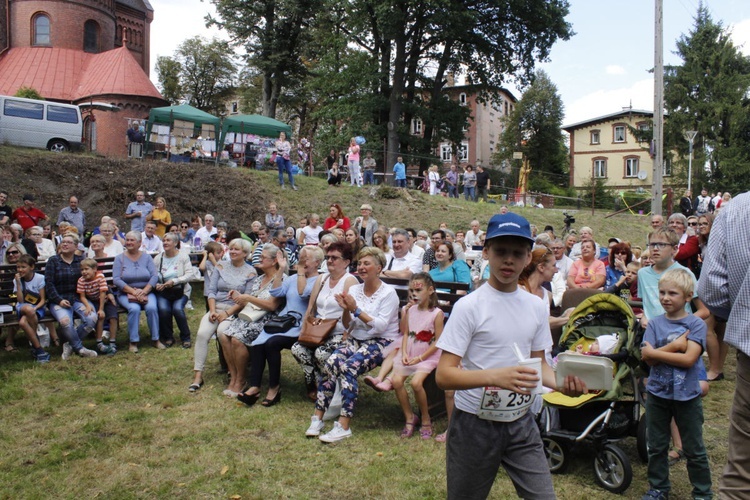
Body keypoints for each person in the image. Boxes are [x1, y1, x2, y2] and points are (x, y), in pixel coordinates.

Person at [435, 212, 586, 499]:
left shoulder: (535, 306)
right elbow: (444, 375)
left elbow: (539, 365)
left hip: (521, 422)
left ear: (528, 258)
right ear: (487, 252)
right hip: (474, 425)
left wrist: (564, 384)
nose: (508, 260)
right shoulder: (470, 306)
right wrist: (496, 377)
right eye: (501, 251)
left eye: (517, 253)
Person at [305, 247, 400, 442]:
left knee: (348, 368)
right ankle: (318, 418)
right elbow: (347, 324)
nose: (362, 267)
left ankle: (343, 425)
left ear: (379, 267)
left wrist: (355, 309)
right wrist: (346, 310)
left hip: (382, 341)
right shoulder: (355, 289)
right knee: (331, 363)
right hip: (356, 337)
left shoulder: (388, 293)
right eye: (360, 264)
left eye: (367, 263)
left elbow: (380, 327)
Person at [640, 268, 713, 500]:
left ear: (687, 297)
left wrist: (656, 353)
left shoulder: (696, 325)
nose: (665, 298)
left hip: (687, 396)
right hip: (658, 395)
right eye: (662, 292)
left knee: (694, 449)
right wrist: (674, 346)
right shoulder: (654, 324)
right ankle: (658, 488)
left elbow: (689, 359)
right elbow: (645, 358)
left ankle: (702, 493)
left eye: (672, 293)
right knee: (657, 446)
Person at [239, 246, 324, 407]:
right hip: (283, 323)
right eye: (301, 257)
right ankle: (255, 386)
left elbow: (303, 293)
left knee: (271, 344)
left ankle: (274, 388)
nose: (302, 261)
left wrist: (299, 271)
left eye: (306, 258)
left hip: (301, 326)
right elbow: (276, 292)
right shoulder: (291, 279)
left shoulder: (319, 280)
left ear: (317, 262)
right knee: (258, 342)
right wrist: (281, 270)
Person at [292, 241, 359, 400]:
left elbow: (352, 312)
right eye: (328, 257)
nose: (329, 261)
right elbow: (311, 307)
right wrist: (304, 328)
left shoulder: (350, 281)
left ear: (346, 262)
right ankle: (314, 381)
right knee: (297, 348)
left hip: (338, 332)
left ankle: (330, 387)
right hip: (317, 329)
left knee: (321, 353)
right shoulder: (322, 278)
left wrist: (346, 333)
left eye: (334, 258)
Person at [190, 238, 256, 392]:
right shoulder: (220, 266)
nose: (232, 251)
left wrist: (227, 313)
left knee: (222, 332)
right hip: (216, 307)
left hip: (234, 311)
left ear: (245, 253)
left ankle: (234, 374)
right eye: (231, 249)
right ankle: (198, 375)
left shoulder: (251, 272)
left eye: (236, 249)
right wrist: (212, 311)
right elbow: (211, 290)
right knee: (202, 334)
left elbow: (246, 299)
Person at [221, 244, 283, 398]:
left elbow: (272, 305)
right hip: (250, 316)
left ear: (275, 260)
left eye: (263, 257)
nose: (259, 259)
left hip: (266, 320)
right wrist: (238, 296)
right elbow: (250, 302)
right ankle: (234, 376)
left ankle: (241, 379)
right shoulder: (259, 278)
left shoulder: (281, 279)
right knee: (223, 335)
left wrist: (248, 298)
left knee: (236, 340)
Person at [390, 273, 445, 439]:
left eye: (418, 290)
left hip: (429, 356)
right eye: (412, 290)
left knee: (415, 383)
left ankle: (426, 418)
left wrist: (420, 359)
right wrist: (405, 353)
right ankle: (409, 417)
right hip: (411, 353)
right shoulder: (410, 310)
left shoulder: (436, 313)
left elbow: (438, 341)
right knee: (396, 381)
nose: (414, 294)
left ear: (430, 290)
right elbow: (405, 333)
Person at [45, 234, 98, 359]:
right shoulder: (53, 261)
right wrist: (59, 300)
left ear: (76, 246)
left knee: (92, 318)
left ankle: (69, 344)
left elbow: (93, 278)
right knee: (65, 322)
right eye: (63, 242)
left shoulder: (80, 261)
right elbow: (49, 284)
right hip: (58, 300)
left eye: (68, 242)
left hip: (78, 299)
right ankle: (80, 349)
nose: (64, 244)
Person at [113, 231, 162, 353]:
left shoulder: (146, 257)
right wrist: (133, 292)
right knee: (134, 309)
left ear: (140, 243)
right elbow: (116, 279)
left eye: (132, 240)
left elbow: (154, 276)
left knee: (151, 308)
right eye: (127, 240)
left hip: (146, 291)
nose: (128, 242)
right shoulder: (119, 259)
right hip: (126, 293)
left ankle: (156, 339)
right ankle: (133, 341)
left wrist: (144, 291)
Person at [153, 233, 194, 348]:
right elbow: (153, 275)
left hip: (180, 291)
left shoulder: (183, 256)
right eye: (164, 240)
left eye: (168, 240)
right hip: (164, 292)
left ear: (175, 243)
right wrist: (157, 284)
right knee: (164, 309)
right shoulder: (158, 258)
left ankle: (186, 337)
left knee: (177, 309)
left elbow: (190, 275)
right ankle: (168, 337)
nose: (165, 242)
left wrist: (174, 281)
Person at [13, 254, 50, 363]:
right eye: (18, 267)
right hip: (23, 307)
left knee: (23, 323)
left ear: (32, 267)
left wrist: (35, 308)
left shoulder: (40, 278)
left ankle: (37, 349)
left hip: (37, 307)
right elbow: (20, 301)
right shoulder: (17, 280)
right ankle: (39, 350)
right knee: (28, 309)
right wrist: (18, 283)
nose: (20, 270)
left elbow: (43, 300)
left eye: (23, 267)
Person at [77, 258, 118, 354]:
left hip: (104, 300)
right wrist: (87, 306)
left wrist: (101, 309)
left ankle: (112, 341)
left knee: (113, 318)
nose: (84, 272)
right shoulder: (81, 280)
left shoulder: (100, 277)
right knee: (100, 318)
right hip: (92, 300)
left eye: (86, 269)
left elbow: (103, 292)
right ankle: (99, 342)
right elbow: (82, 296)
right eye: (82, 270)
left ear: (95, 269)